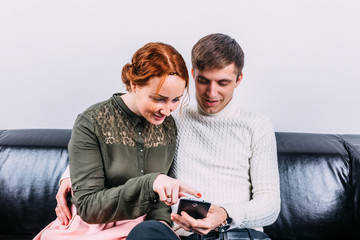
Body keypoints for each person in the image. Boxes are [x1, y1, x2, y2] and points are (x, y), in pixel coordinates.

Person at [56, 33, 281, 240]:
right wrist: (70, 177)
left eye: (223, 83)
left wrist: (225, 214)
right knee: (146, 232)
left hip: (236, 234)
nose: (212, 93)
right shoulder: (171, 117)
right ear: (192, 75)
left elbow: (270, 205)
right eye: (203, 81)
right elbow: (116, 135)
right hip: (179, 235)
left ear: (239, 79)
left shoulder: (256, 126)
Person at [33, 42, 201, 240]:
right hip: (90, 230)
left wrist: (161, 226)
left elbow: (160, 200)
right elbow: (88, 207)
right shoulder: (92, 122)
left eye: (175, 100)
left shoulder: (167, 125)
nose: (167, 110)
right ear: (133, 85)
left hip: (144, 233)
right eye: (159, 99)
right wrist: (150, 184)